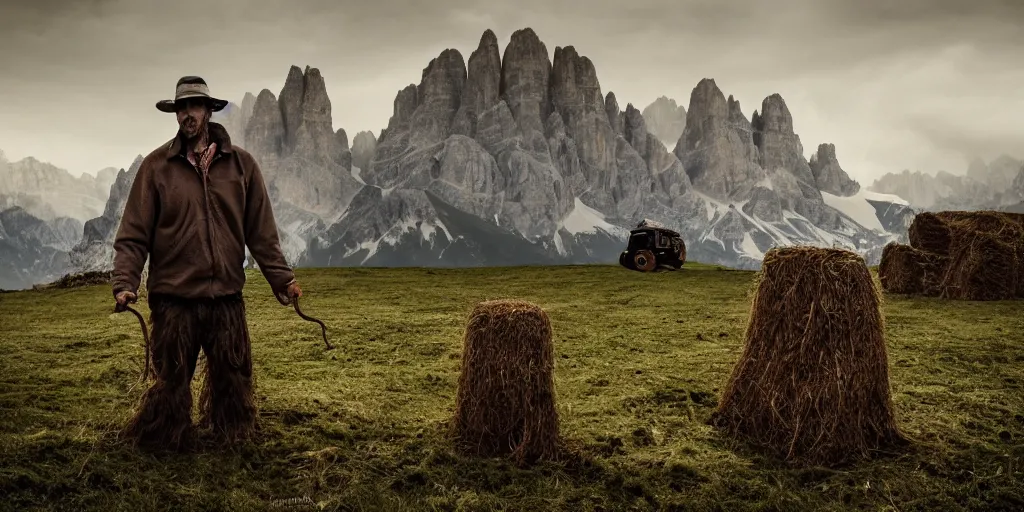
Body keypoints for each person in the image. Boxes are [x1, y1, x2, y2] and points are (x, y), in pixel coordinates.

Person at [111, 75, 302, 450]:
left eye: (194, 106)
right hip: (174, 302)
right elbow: (133, 234)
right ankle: (166, 445)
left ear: (209, 110)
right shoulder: (156, 168)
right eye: (181, 107)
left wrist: (283, 281)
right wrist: (125, 283)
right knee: (170, 385)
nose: (187, 114)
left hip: (226, 300)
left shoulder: (242, 166)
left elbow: (261, 234)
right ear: (176, 113)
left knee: (233, 383)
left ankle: (232, 441)